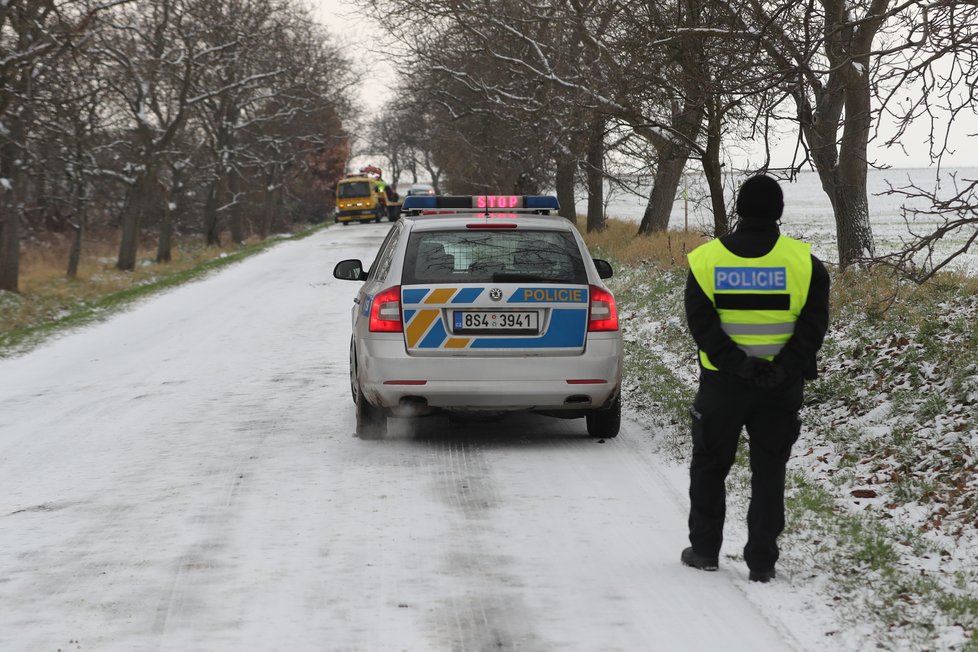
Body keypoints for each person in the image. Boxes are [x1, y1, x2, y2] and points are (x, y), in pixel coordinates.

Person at [680, 174, 830, 583]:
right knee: (769, 470)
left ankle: (706, 550)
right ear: (779, 211)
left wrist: (739, 365)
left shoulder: (706, 259)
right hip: (780, 388)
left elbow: (702, 325)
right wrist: (781, 367)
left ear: (739, 210)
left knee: (710, 465)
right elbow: (813, 327)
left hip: (723, 386)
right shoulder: (804, 262)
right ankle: (762, 562)